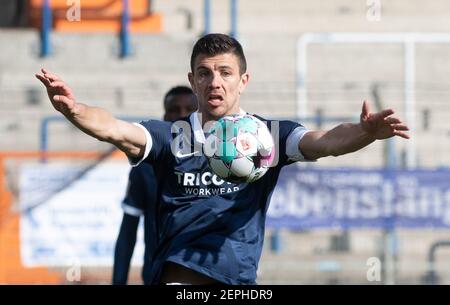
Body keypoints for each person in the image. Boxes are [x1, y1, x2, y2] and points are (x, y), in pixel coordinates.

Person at [35, 33, 409, 285]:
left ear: (243, 80)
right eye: (205, 73)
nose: (215, 82)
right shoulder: (170, 136)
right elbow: (113, 128)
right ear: (193, 80)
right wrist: (75, 109)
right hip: (182, 277)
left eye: (225, 73)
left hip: (241, 281)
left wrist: (365, 133)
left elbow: (324, 141)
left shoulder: (267, 137)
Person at [112, 86, 197, 285]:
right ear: (164, 115)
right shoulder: (144, 167)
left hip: (203, 278)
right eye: (174, 109)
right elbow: (127, 231)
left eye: (189, 109)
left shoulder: (219, 163)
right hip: (158, 277)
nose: (181, 115)